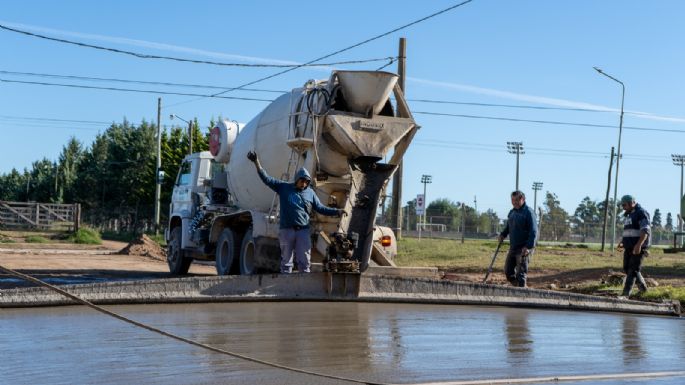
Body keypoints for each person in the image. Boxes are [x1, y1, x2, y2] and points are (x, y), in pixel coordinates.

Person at [247, 151, 345, 273]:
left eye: (306, 181)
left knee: (304, 262)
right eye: (302, 180)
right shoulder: (284, 187)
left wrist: (337, 211)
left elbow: (321, 208)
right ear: (297, 179)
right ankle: (287, 286)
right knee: (286, 262)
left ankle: (303, 286)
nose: (304, 183)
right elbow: (266, 179)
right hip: (286, 230)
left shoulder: (310, 193)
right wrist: (257, 162)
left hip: (303, 231)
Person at [498, 190, 537, 287]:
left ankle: (522, 292)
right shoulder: (512, 212)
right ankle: (517, 287)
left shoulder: (529, 212)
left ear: (523, 199)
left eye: (516, 200)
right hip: (513, 247)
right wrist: (503, 234)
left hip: (524, 248)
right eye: (512, 200)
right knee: (508, 271)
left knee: (521, 273)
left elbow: (534, 231)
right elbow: (509, 227)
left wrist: (528, 247)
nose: (514, 202)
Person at [617, 195, 650, 297]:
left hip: (638, 246)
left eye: (624, 205)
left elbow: (645, 230)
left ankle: (625, 294)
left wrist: (639, 245)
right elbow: (628, 231)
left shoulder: (641, 213)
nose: (623, 207)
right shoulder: (628, 215)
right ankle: (643, 290)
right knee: (627, 268)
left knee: (633, 270)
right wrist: (623, 242)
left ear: (632, 203)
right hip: (629, 246)